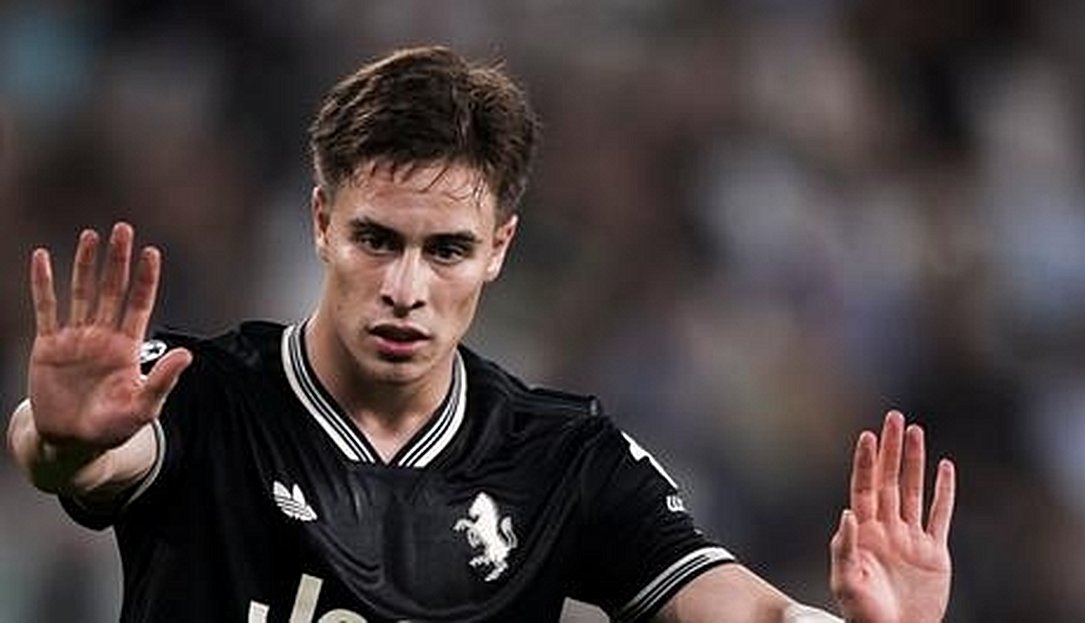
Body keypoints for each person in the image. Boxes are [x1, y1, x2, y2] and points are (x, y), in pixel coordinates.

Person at [7, 46, 955, 622]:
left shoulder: (561, 458)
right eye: (377, 239)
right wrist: (60, 436)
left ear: (499, 248)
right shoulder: (205, 391)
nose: (405, 288)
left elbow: (745, 607)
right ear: (321, 224)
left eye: (447, 250)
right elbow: (89, 453)